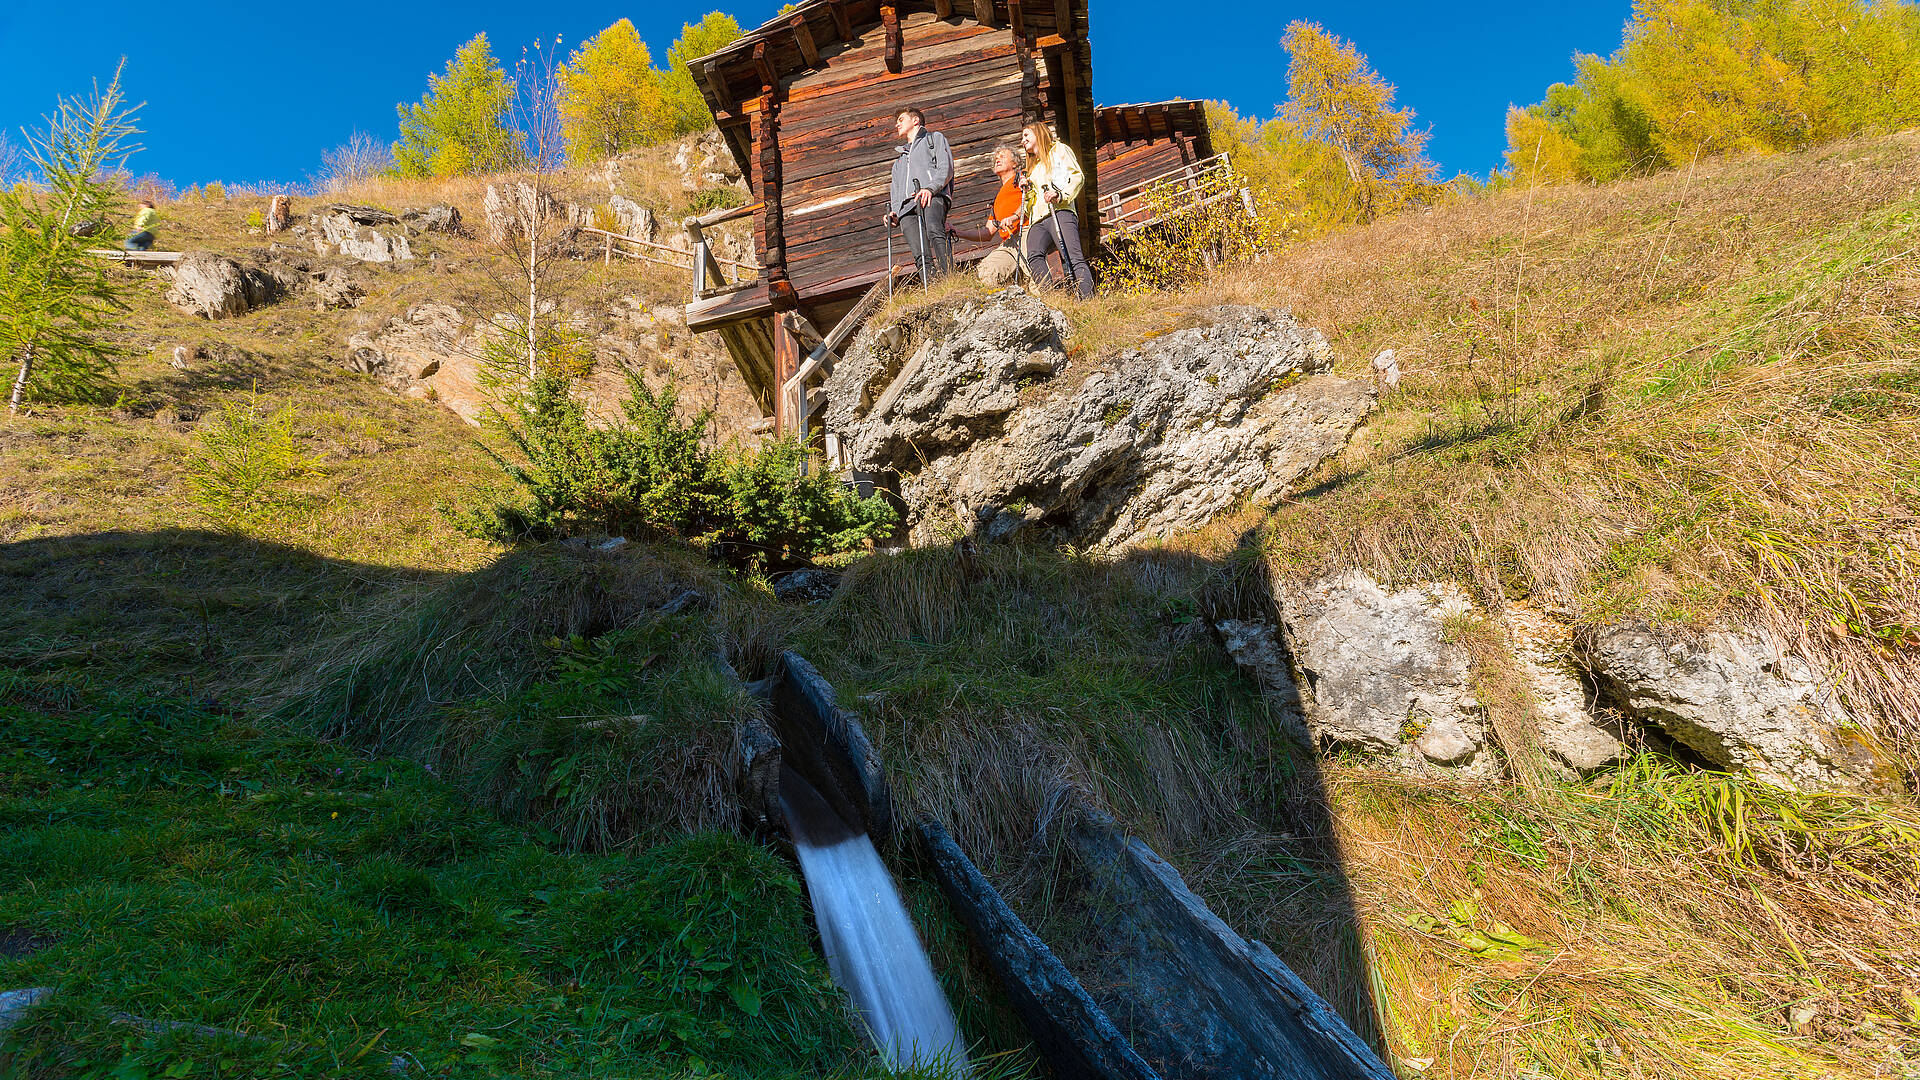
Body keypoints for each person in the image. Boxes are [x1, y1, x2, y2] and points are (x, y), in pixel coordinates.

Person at [1019, 122, 1094, 299]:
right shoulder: (1032, 168)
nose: (1023, 141)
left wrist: (1060, 195)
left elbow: (1077, 176)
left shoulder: (1059, 150)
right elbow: (1030, 206)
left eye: (1026, 135)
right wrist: (1027, 191)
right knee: (1034, 255)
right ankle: (1050, 299)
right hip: (1038, 219)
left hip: (1060, 211)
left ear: (1038, 134)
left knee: (1072, 256)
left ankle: (1088, 299)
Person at [884, 106, 953, 282]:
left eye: (901, 119)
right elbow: (896, 190)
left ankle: (950, 279)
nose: (896, 124)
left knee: (935, 232)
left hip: (931, 195)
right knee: (919, 252)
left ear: (915, 120)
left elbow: (946, 168)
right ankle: (931, 286)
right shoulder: (899, 161)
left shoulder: (934, 139)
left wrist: (930, 188)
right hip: (906, 208)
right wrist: (894, 212)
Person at [947, 145, 1025, 285]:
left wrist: (1014, 216)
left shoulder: (1022, 179)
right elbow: (987, 234)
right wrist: (957, 232)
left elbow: (1031, 199)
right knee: (986, 271)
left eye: (1002, 156)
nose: (997, 160)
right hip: (1009, 244)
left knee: (1036, 282)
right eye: (996, 158)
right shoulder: (997, 201)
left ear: (1015, 163)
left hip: (1026, 235)